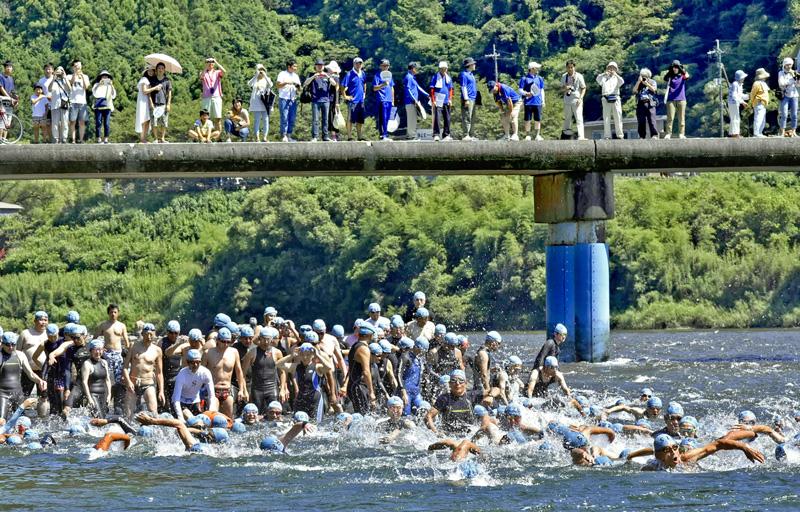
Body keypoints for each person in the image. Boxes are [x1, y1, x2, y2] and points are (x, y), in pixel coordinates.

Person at [642, 433, 764, 471]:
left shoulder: (686, 458)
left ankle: (751, 432)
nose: (674, 453)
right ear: (659, 455)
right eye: (667, 450)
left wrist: (744, 447)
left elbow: (718, 444)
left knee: (726, 436)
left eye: (675, 448)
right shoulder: (651, 467)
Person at [277, 339, 334, 419]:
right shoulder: (295, 367)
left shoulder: (317, 367)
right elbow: (278, 364)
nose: (305, 357)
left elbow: (329, 367)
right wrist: (292, 355)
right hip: (301, 400)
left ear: (312, 355)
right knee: (297, 423)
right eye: (303, 354)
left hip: (315, 401)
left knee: (315, 425)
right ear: (299, 355)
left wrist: (318, 355)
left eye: (308, 354)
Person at [201, 327, 248, 418]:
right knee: (212, 415)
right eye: (223, 341)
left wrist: (241, 390)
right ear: (217, 340)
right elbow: (201, 372)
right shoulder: (208, 353)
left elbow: (239, 371)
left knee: (229, 417)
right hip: (213, 389)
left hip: (228, 389)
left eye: (228, 342)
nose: (226, 344)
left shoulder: (234, 352)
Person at [0, 333, 47, 420]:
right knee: (1, 421)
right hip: (2, 394)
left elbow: (31, 374)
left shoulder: (20, 355)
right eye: (8, 345)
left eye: (13, 345)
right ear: (2, 344)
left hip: (18, 393)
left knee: (22, 422)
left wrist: (40, 381)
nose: (11, 347)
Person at [122, 323, 165, 414]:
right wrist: (128, 382)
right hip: (133, 385)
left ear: (155, 334)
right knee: (128, 415)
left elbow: (159, 373)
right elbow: (125, 367)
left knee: (153, 413)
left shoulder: (157, 350)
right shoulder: (133, 346)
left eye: (151, 335)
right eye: (146, 334)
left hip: (148, 384)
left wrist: (161, 391)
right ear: (142, 334)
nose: (149, 337)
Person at [242, 327, 284, 414]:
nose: (266, 342)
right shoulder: (252, 352)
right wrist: (244, 390)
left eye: (268, 339)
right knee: (256, 415)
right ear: (259, 338)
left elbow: (282, 372)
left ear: (272, 339)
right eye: (263, 339)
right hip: (257, 390)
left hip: (272, 389)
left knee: (274, 414)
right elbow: (242, 374)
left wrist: (283, 388)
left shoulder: (277, 353)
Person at [343, 323, 378, 414]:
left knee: (359, 415)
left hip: (354, 385)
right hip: (359, 387)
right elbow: (366, 372)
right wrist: (371, 392)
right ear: (369, 335)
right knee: (363, 416)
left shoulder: (355, 346)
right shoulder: (363, 349)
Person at [427, 369, 473, 436]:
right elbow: (429, 416)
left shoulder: (471, 397)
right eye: (453, 380)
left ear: (466, 384)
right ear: (449, 384)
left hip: (468, 436)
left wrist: (491, 395)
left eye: (461, 380)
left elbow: (490, 392)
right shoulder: (444, 399)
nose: (457, 383)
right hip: (449, 436)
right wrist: (436, 432)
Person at [172, 349, 214, 419]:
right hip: (181, 402)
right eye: (192, 362)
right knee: (191, 419)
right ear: (187, 362)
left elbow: (212, 395)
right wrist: (181, 418)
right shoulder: (182, 374)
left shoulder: (205, 372)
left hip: (195, 401)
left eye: (198, 362)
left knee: (202, 420)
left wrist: (211, 412)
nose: (195, 365)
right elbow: (176, 399)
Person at [303, 58, 333, 142]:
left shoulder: (327, 75)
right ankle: (315, 136)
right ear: (315, 66)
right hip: (315, 100)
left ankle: (325, 136)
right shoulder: (311, 74)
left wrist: (328, 77)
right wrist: (313, 77)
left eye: (321, 65)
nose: (320, 67)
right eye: (318, 65)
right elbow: (305, 83)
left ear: (323, 66)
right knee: (315, 119)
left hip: (326, 100)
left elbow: (334, 84)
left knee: (325, 119)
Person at [81, 339, 112, 418]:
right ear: (91, 351)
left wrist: (109, 394)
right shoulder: (87, 364)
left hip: (104, 394)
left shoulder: (104, 362)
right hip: (93, 395)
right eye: (96, 350)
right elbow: (84, 382)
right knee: (98, 418)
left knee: (104, 417)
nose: (98, 352)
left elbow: (108, 380)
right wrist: (89, 398)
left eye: (100, 350)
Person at [341, 57, 367, 141]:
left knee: (360, 120)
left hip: (361, 100)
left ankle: (359, 136)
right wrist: (345, 96)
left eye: (360, 63)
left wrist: (364, 93)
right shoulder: (349, 74)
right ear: (354, 64)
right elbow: (342, 86)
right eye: (357, 63)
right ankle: (349, 137)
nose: (358, 65)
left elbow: (364, 83)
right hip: (353, 100)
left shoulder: (363, 73)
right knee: (350, 119)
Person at [662, 60, 690, 139]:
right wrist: (671, 69)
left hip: (681, 99)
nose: (675, 69)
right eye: (674, 67)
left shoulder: (682, 75)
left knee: (681, 117)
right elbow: (665, 78)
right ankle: (668, 133)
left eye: (676, 67)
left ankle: (681, 133)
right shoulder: (670, 76)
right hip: (671, 99)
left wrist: (680, 68)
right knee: (670, 117)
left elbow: (687, 76)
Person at [472, 331, 501, 404]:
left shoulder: (484, 352)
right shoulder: (483, 354)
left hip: (481, 387)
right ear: (493, 343)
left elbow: (481, 370)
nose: (499, 346)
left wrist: (491, 370)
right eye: (498, 343)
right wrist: (488, 390)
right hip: (480, 389)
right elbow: (483, 375)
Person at [597, 62, 624, 139]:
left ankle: (620, 135)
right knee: (606, 117)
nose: (611, 69)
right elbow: (597, 79)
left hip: (615, 98)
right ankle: (607, 135)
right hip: (605, 98)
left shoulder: (617, 78)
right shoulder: (604, 77)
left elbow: (622, 82)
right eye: (610, 67)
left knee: (618, 117)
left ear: (616, 69)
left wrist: (615, 74)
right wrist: (604, 73)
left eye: (613, 68)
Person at [276, 59, 301, 142]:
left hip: (293, 99)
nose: (295, 68)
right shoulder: (282, 74)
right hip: (284, 98)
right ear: (289, 66)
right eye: (294, 66)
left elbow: (299, 89)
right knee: (284, 117)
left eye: (296, 66)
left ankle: (289, 135)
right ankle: (283, 135)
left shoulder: (296, 76)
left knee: (292, 118)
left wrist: (298, 86)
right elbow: (278, 85)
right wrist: (286, 82)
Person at [561, 59, 586, 140]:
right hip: (567, 99)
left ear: (574, 67)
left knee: (579, 118)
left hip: (576, 100)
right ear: (566, 68)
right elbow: (561, 88)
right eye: (568, 67)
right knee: (567, 119)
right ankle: (567, 136)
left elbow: (583, 88)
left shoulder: (579, 76)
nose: (570, 69)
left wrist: (580, 98)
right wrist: (565, 88)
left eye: (572, 67)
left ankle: (581, 136)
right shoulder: (564, 76)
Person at [519, 62, 545, 140]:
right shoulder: (524, 78)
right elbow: (520, 90)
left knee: (538, 119)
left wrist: (543, 100)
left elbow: (541, 90)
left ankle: (537, 135)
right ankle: (528, 135)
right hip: (528, 102)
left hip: (538, 102)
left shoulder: (539, 78)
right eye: (536, 68)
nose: (538, 69)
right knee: (527, 119)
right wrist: (526, 93)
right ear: (532, 69)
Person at [247, 64, 273, 142]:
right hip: (256, 101)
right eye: (259, 69)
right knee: (257, 120)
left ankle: (265, 137)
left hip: (265, 102)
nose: (261, 71)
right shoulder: (254, 79)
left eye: (262, 69)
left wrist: (265, 75)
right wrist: (256, 75)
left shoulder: (267, 79)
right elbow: (249, 84)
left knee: (266, 119)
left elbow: (271, 85)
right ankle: (257, 137)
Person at [67, 59, 90, 143]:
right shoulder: (70, 76)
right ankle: (73, 139)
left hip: (82, 102)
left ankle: (81, 139)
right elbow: (71, 83)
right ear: (73, 67)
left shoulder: (85, 76)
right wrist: (75, 74)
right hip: (73, 101)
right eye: (76, 66)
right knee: (72, 121)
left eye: (79, 66)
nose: (78, 68)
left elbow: (86, 87)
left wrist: (82, 76)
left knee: (82, 122)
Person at [200, 57, 226, 133]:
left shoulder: (217, 72)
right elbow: (201, 77)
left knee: (218, 118)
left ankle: (218, 136)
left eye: (212, 62)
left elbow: (224, 71)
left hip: (216, 96)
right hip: (206, 97)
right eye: (209, 61)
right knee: (206, 118)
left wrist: (216, 62)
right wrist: (206, 66)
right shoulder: (203, 72)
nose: (210, 63)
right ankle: (207, 135)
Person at [402, 62, 428, 140]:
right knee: (411, 119)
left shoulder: (412, 77)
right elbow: (408, 90)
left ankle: (411, 135)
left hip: (413, 102)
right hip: (410, 102)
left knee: (413, 118)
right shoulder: (409, 77)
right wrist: (414, 100)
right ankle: (411, 136)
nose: (417, 69)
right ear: (413, 68)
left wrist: (427, 95)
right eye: (416, 68)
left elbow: (418, 87)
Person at [429, 61, 453, 141]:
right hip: (438, 100)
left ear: (446, 69)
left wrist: (450, 99)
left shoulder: (448, 78)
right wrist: (433, 100)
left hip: (446, 100)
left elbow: (450, 89)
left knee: (447, 118)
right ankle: (436, 134)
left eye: (445, 69)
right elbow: (432, 89)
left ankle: (446, 134)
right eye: (442, 69)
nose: (443, 70)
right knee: (437, 118)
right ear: (439, 69)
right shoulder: (435, 77)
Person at [135, 66, 160, 143]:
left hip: (146, 101)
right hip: (142, 101)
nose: (151, 72)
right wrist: (155, 88)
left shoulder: (148, 80)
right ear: (146, 72)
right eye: (149, 71)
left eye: (152, 71)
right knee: (143, 119)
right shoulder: (144, 79)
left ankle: (144, 138)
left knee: (147, 120)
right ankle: (142, 139)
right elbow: (145, 91)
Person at [91, 70, 116, 144]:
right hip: (98, 107)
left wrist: (111, 85)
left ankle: (106, 138)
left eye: (106, 76)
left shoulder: (110, 86)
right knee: (98, 122)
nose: (105, 77)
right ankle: (98, 138)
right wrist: (99, 84)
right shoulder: (96, 85)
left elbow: (113, 96)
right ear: (100, 77)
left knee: (107, 123)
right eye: (103, 76)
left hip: (107, 106)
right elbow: (95, 94)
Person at [633, 68, 659, 139]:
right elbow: (634, 91)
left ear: (648, 76)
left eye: (645, 76)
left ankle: (654, 135)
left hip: (650, 103)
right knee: (641, 121)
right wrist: (638, 82)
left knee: (652, 120)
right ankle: (642, 136)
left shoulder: (652, 81)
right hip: (640, 103)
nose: (643, 77)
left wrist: (647, 84)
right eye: (642, 75)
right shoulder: (639, 83)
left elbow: (654, 89)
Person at [373, 59, 395, 141]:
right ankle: (383, 135)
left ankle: (385, 134)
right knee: (383, 117)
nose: (386, 67)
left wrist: (393, 100)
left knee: (387, 118)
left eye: (387, 65)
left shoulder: (390, 76)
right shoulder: (377, 75)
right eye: (384, 65)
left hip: (389, 100)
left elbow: (392, 87)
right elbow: (375, 88)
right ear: (380, 66)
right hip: (382, 100)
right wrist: (383, 84)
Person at [151, 62, 172, 143]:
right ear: (156, 69)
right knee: (154, 122)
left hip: (163, 104)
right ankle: (156, 138)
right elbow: (149, 93)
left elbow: (169, 93)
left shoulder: (167, 80)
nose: (160, 70)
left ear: (164, 70)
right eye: (159, 68)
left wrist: (168, 104)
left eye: (162, 68)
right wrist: (151, 104)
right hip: (154, 103)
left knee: (164, 122)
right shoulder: (153, 80)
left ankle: (162, 138)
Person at [49, 66, 70, 144]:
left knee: (65, 122)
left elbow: (70, 89)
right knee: (55, 123)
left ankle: (64, 138)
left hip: (64, 104)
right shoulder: (53, 81)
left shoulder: (65, 80)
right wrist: (53, 78)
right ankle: (56, 138)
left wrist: (65, 77)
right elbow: (49, 89)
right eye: (57, 70)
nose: (59, 72)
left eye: (61, 70)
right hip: (55, 105)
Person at [459, 57, 479, 141]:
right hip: (468, 98)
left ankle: (471, 134)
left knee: (472, 117)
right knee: (467, 116)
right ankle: (466, 134)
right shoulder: (464, 74)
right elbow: (463, 87)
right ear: (469, 65)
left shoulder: (471, 75)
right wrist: (466, 99)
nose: (474, 65)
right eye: (473, 64)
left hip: (473, 98)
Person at [778, 57, 798, 137]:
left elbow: (798, 85)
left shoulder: (794, 73)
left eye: (791, 64)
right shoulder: (781, 73)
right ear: (784, 65)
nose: (789, 66)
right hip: (785, 95)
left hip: (794, 95)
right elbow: (781, 83)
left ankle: (794, 131)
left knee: (794, 114)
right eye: (788, 64)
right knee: (784, 114)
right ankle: (782, 131)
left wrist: (797, 79)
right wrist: (791, 81)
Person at [0, 60, 18, 142]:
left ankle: (4, 138)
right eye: (8, 67)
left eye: (10, 67)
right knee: (2, 121)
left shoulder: (11, 79)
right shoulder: (1, 76)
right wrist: (9, 97)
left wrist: (15, 99)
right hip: (2, 100)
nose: (9, 68)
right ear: (5, 68)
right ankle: (0, 139)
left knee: (8, 121)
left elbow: (13, 91)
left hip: (9, 102)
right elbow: (1, 88)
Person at [37, 63, 55, 142]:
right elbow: (38, 92)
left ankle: (58, 140)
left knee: (56, 123)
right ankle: (50, 139)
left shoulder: (56, 79)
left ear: (52, 70)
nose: (48, 71)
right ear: (44, 70)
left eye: (49, 69)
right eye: (46, 69)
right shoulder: (41, 80)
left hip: (56, 104)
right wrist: (45, 96)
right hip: (45, 105)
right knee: (47, 123)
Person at [728, 70, 749, 138]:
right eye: (743, 77)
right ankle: (735, 134)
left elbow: (740, 95)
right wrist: (742, 102)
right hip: (733, 103)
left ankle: (732, 133)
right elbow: (734, 96)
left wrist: (749, 96)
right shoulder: (735, 84)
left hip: (735, 103)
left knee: (734, 118)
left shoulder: (739, 85)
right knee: (735, 118)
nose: (744, 78)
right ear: (740, 78)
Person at [750, 68, 770, 138]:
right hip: (758, 103)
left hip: (763, 104)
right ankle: (756, 133)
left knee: (762, 119)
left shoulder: (763, 83)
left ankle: (760, 132)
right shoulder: (756, 83)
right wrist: (752, 102)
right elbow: (752, 94)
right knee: (758, 118)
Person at [325, 61, 342, 141]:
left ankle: (334, 135)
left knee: (332, 117)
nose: (328, 70)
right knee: (331, 117)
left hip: (333, 100)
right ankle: (334, 135)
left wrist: (337, 102)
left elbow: (337, 90)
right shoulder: (331, 77)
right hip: (330, 99)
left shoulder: (335, 78)